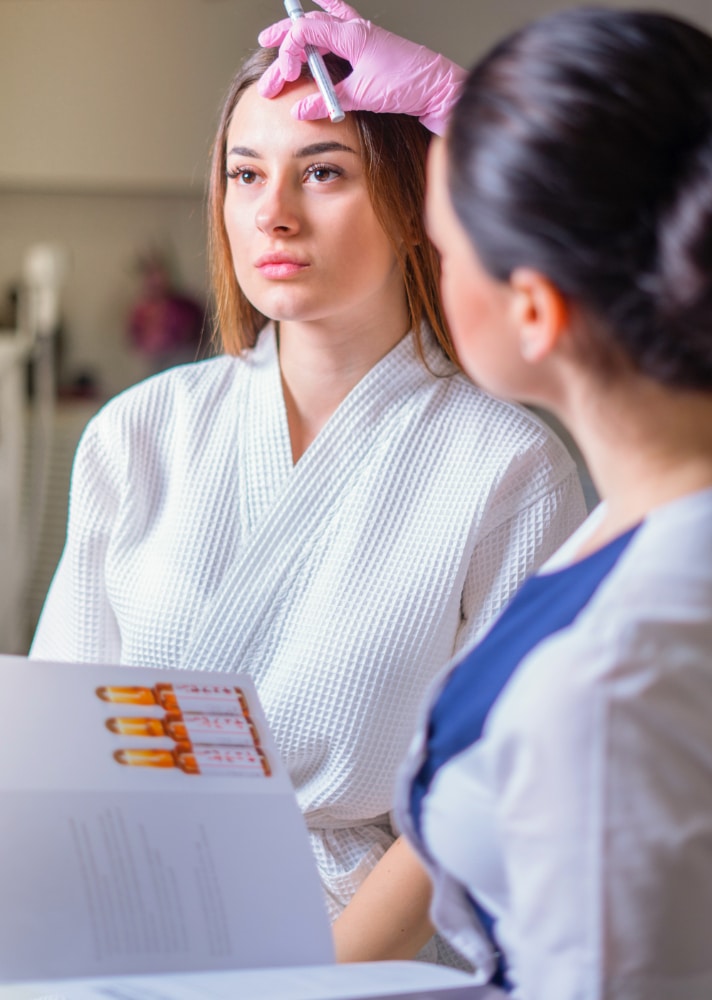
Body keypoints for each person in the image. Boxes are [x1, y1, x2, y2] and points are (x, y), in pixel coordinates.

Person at [29, 41, 586, 966]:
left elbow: (483, 783)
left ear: (417, 201)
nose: (273, 214)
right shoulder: (139, 434)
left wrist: (316, 979)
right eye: (245, 174)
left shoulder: (509, 468)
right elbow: (56, 746)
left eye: (323, 172)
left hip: (365, 951)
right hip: (123, 917)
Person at [261, 2, 712, 996]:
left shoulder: (613, 679)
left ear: (535, 309)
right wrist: (459, 107)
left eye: (444, 245)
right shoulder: (654, 522)